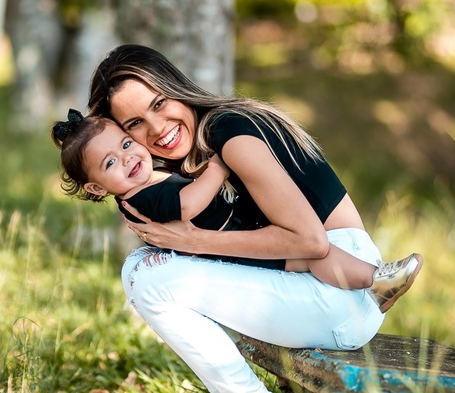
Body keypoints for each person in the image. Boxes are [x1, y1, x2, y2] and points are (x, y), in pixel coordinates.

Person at [84, 44, 422, 393]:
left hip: (336, 286)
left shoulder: (230, 134)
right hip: (327, 287)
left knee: (146, 276)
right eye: (135, 124)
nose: (157, 129)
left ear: (176, 88)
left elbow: (311, 244)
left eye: (159, 103)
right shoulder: (198, 149)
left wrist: (193, 241)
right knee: (144, 269)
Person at [50, 108, 422, 303]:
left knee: (313, 257)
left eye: (126, 145)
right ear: (97, 188)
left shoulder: (148, 180)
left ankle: (374, 280)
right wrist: (216, 166)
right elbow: (190, 203)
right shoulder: (141, 196)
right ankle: (375, 281)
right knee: (314, 257)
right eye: (111, 163)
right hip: (237, 249)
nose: (127, 158)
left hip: (240, 237)